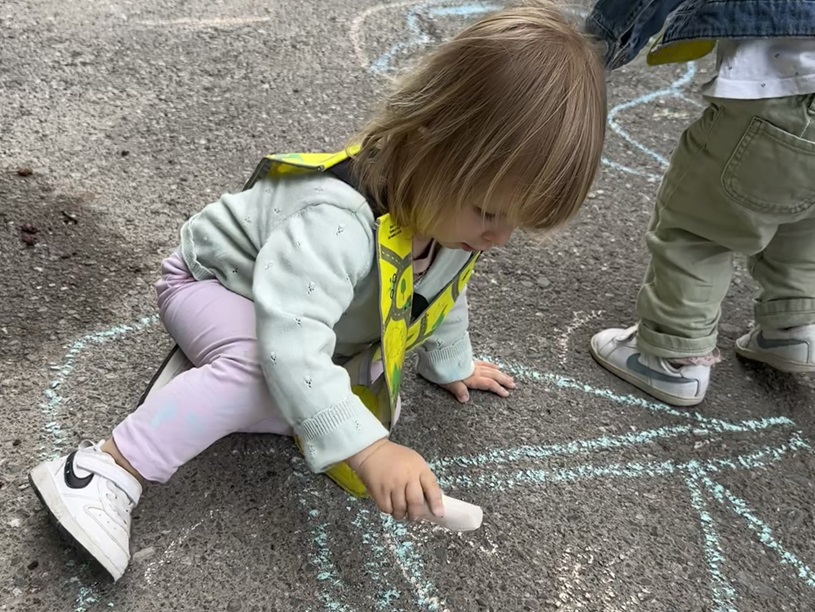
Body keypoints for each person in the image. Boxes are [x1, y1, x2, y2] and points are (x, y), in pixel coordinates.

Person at [28, 2, 606, 581]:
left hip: (290, 304)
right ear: (430, 145)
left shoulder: (448, 215)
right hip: (218, 286)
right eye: (489, 213)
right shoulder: (334, 221)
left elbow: (435, 293)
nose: (500, 238)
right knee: (267, 371)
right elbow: (293, 341)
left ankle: (209, 382)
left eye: (516, 224)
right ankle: (104, 469)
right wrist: (369, 450)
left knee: (339, 399)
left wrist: (451, 362)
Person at [586, 0, 815, 406]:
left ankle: (671, 357)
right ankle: (793, 327)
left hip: (782, 88)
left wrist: (598, 42)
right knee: (804, 220)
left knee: (699, 225)